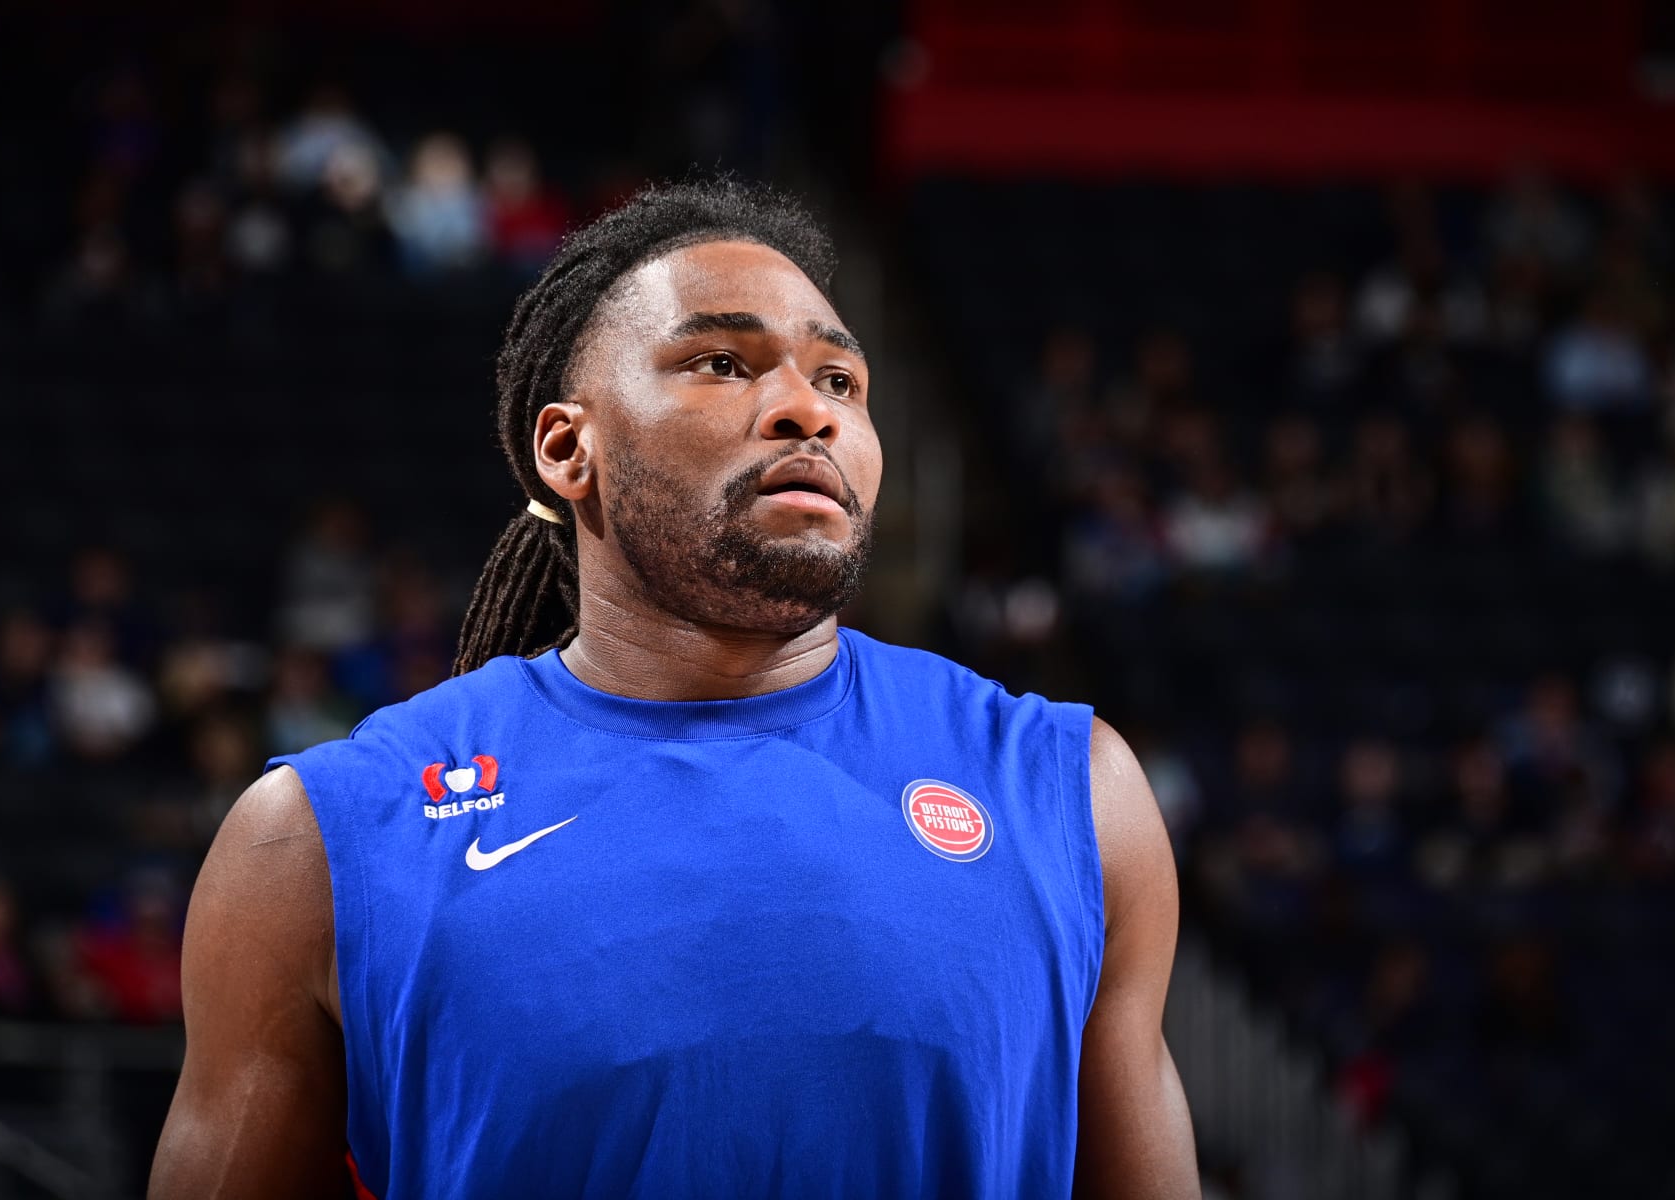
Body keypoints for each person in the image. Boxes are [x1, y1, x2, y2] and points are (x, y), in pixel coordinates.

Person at [151, 181, 1197, 1199]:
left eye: (840, 382)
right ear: (569, 447)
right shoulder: (321, 843)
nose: (806, 411)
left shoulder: (1073, 794)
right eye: (722, 363)